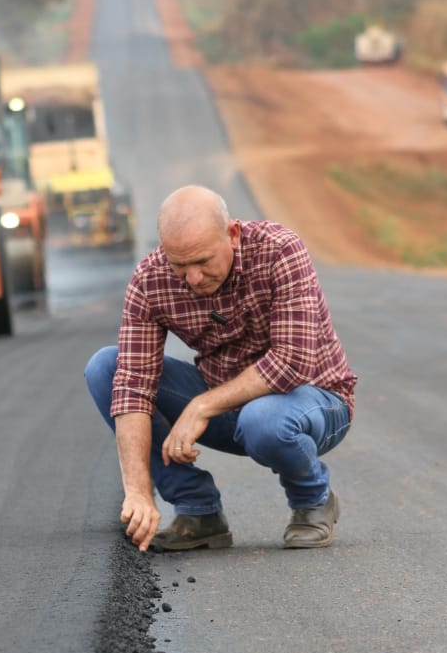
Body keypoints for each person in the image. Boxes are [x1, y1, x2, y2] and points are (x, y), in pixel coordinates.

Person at [84, 185, 357, 552]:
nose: (193, 278)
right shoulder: (150, 279)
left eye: (203, 261)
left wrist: (201, 406)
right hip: (228, 409)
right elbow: (133, 385)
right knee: (106, 367)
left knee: (263, 420)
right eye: (180, 265)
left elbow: (291, 362)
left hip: (313, 403)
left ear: (232, 234)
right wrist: (137, 491)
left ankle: (312, 499)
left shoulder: (279, 249)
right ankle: (198, 512)